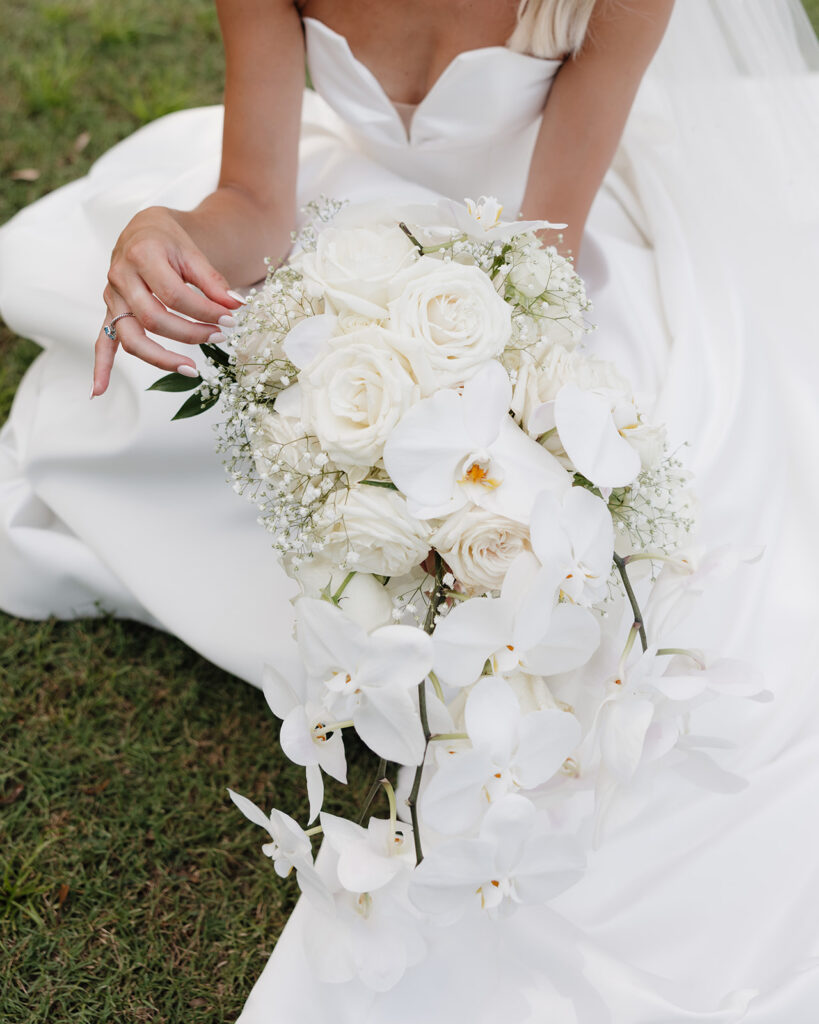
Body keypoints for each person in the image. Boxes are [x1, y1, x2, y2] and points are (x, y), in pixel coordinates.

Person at [1, 1, 819, 1020]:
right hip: (354, 225)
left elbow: (544, 264)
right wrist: (175, 236)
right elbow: (255, 205)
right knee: (173, 405)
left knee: (614, 548)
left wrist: (438, 397)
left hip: (539, 260)